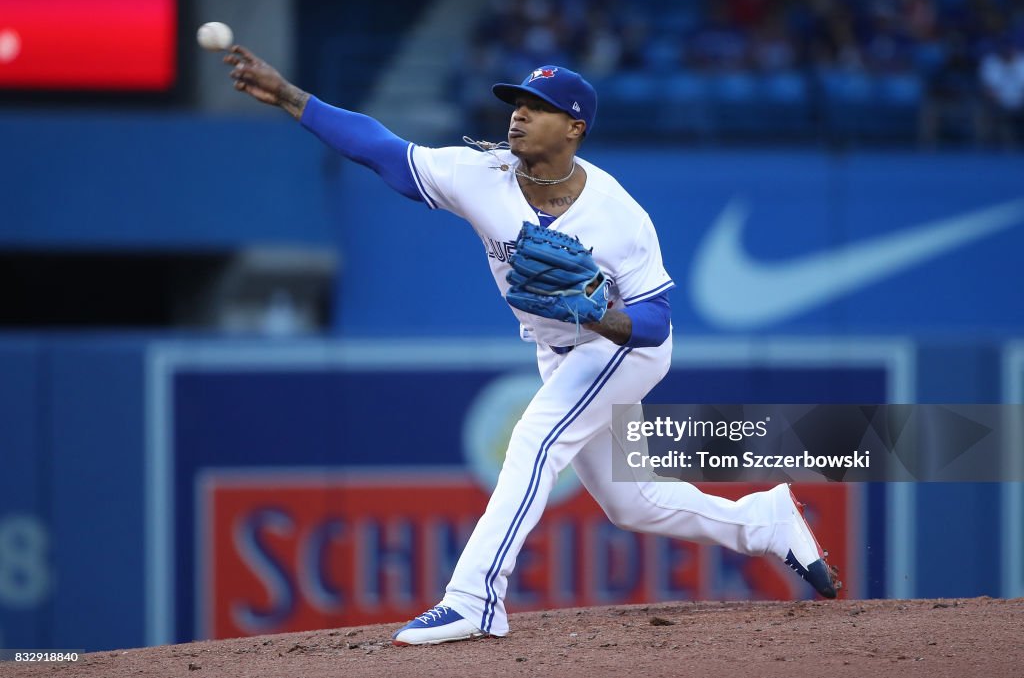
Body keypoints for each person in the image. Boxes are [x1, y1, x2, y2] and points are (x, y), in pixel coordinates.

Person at [223, 46, 840, 646]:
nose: (518, 113)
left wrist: (601, 312)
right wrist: (287, 96)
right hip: (559, 350)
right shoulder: (480, 176)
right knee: (636, 503)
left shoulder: (617, 215)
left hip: (621, 350)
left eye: (537, 106)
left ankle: (474, 599)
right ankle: (766, 522)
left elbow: (655, 323)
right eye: (516, 102)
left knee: (535, 438)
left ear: (574, 127)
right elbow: (380, 149)